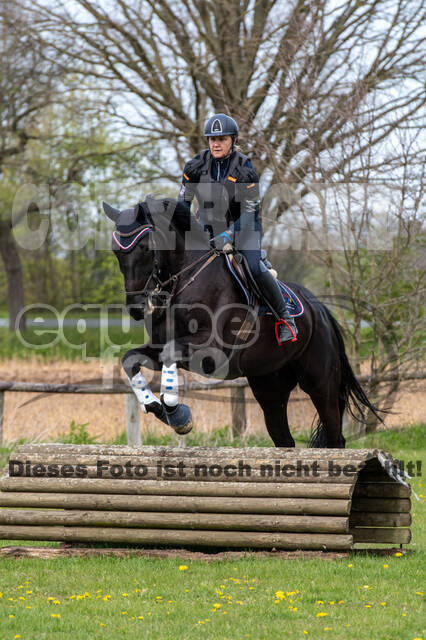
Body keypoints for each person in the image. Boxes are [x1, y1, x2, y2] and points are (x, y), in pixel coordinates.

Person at [178, 113, 297, 344]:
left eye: (221, 139)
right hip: (207, 228)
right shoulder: (194, 167)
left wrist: (229, 235)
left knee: (253, 266)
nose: (216, 143)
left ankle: (286, 319)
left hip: (245, 228)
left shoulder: (244, 169)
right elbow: (183, 204)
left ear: (232, 140)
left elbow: (250, 212)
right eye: (212, 139)